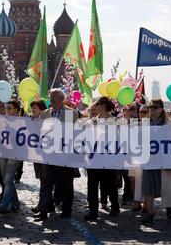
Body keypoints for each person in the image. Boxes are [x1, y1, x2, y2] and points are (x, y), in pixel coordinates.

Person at [35, 89, 79, 221]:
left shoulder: (71, 113)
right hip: (48, 155)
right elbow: (38, 130)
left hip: (64, 155)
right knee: (45, 183)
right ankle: (43, 210)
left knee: (66, 184)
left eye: (54, 97)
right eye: (50, 97)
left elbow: (74, 133)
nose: (51, 99)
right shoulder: (45, 113)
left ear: (61, 99)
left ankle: (66, 210)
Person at [84, 97, 121, 221]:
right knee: (92, 186)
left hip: (109, 159)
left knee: (110, 185)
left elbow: (121, 139)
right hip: (94, 159)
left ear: (104, 105)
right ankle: (93, 211)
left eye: (98, 104)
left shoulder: (116, 122)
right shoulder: (92, 122)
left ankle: (115, 207)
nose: (96, 106)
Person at [141, 99, 167, 224]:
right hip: (148, 159)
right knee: (147, 186)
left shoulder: (167, 123)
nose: (152, 109)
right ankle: (150, 212)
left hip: (163, 159)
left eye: (155, 107)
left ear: (161, 109)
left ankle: (170, 208)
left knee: (165, 186)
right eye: (150, 107)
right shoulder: (144, 122)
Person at [0, 100, 22, 214]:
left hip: (15, 153)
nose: (7, 110)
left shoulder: (22, 121)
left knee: (8, 179)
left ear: (16, 109)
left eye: (9, 108)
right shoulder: (1, 120)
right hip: (2, 153)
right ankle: (15, 203)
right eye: (6, 108)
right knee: (7, 180)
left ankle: (4, 205)